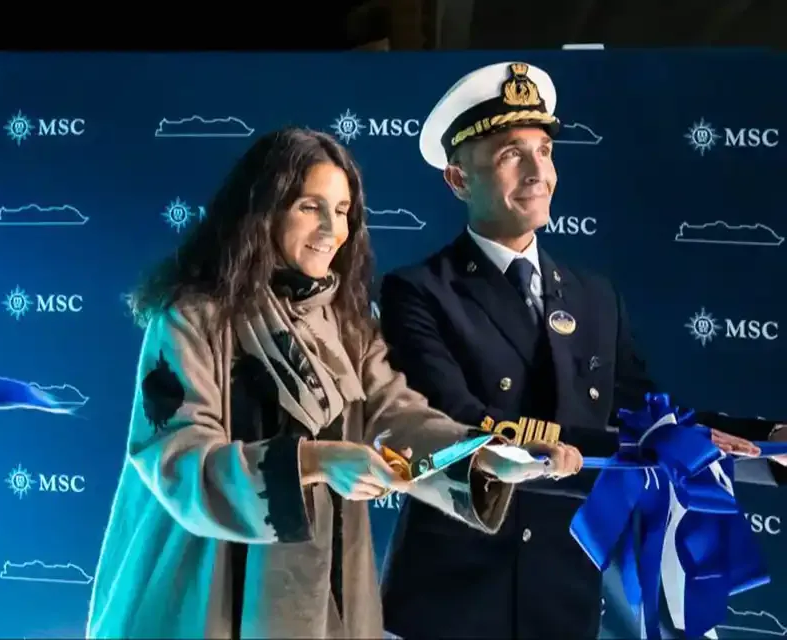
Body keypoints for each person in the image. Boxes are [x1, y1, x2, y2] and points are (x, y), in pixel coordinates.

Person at [85, 127, 582, 640]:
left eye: (342, 210)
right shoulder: (192, 319)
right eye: (310, 207)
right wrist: (314, 461)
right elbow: (177, 456)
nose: (331, 229)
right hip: (207, 593)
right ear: (264, 211)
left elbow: (396, 419)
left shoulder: (348, 324)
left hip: (323, 598)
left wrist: (484, 458)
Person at [377, 62, 787, 639]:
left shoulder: (595, 296)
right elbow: (459, 424)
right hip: (452, 597)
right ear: (458, 180)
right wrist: (651, 447)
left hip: (561, 593)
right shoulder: (417, 291)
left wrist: (766, 441)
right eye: (510, 154)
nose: (536, 171)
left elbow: (644, 413)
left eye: (544, 151)